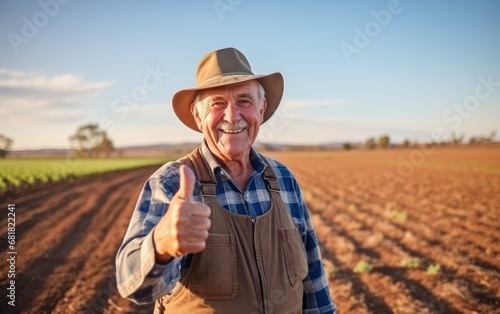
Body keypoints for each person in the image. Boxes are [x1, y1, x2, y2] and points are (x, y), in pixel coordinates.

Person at [116, 47, 337, 313]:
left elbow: (313, 278)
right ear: (198, 116)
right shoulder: (172, 183)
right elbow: (132, 285)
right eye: (217, 103)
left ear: (261, 109)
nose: (232, 116)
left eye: (244, 101)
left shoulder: (283, 179)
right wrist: (160, 246)